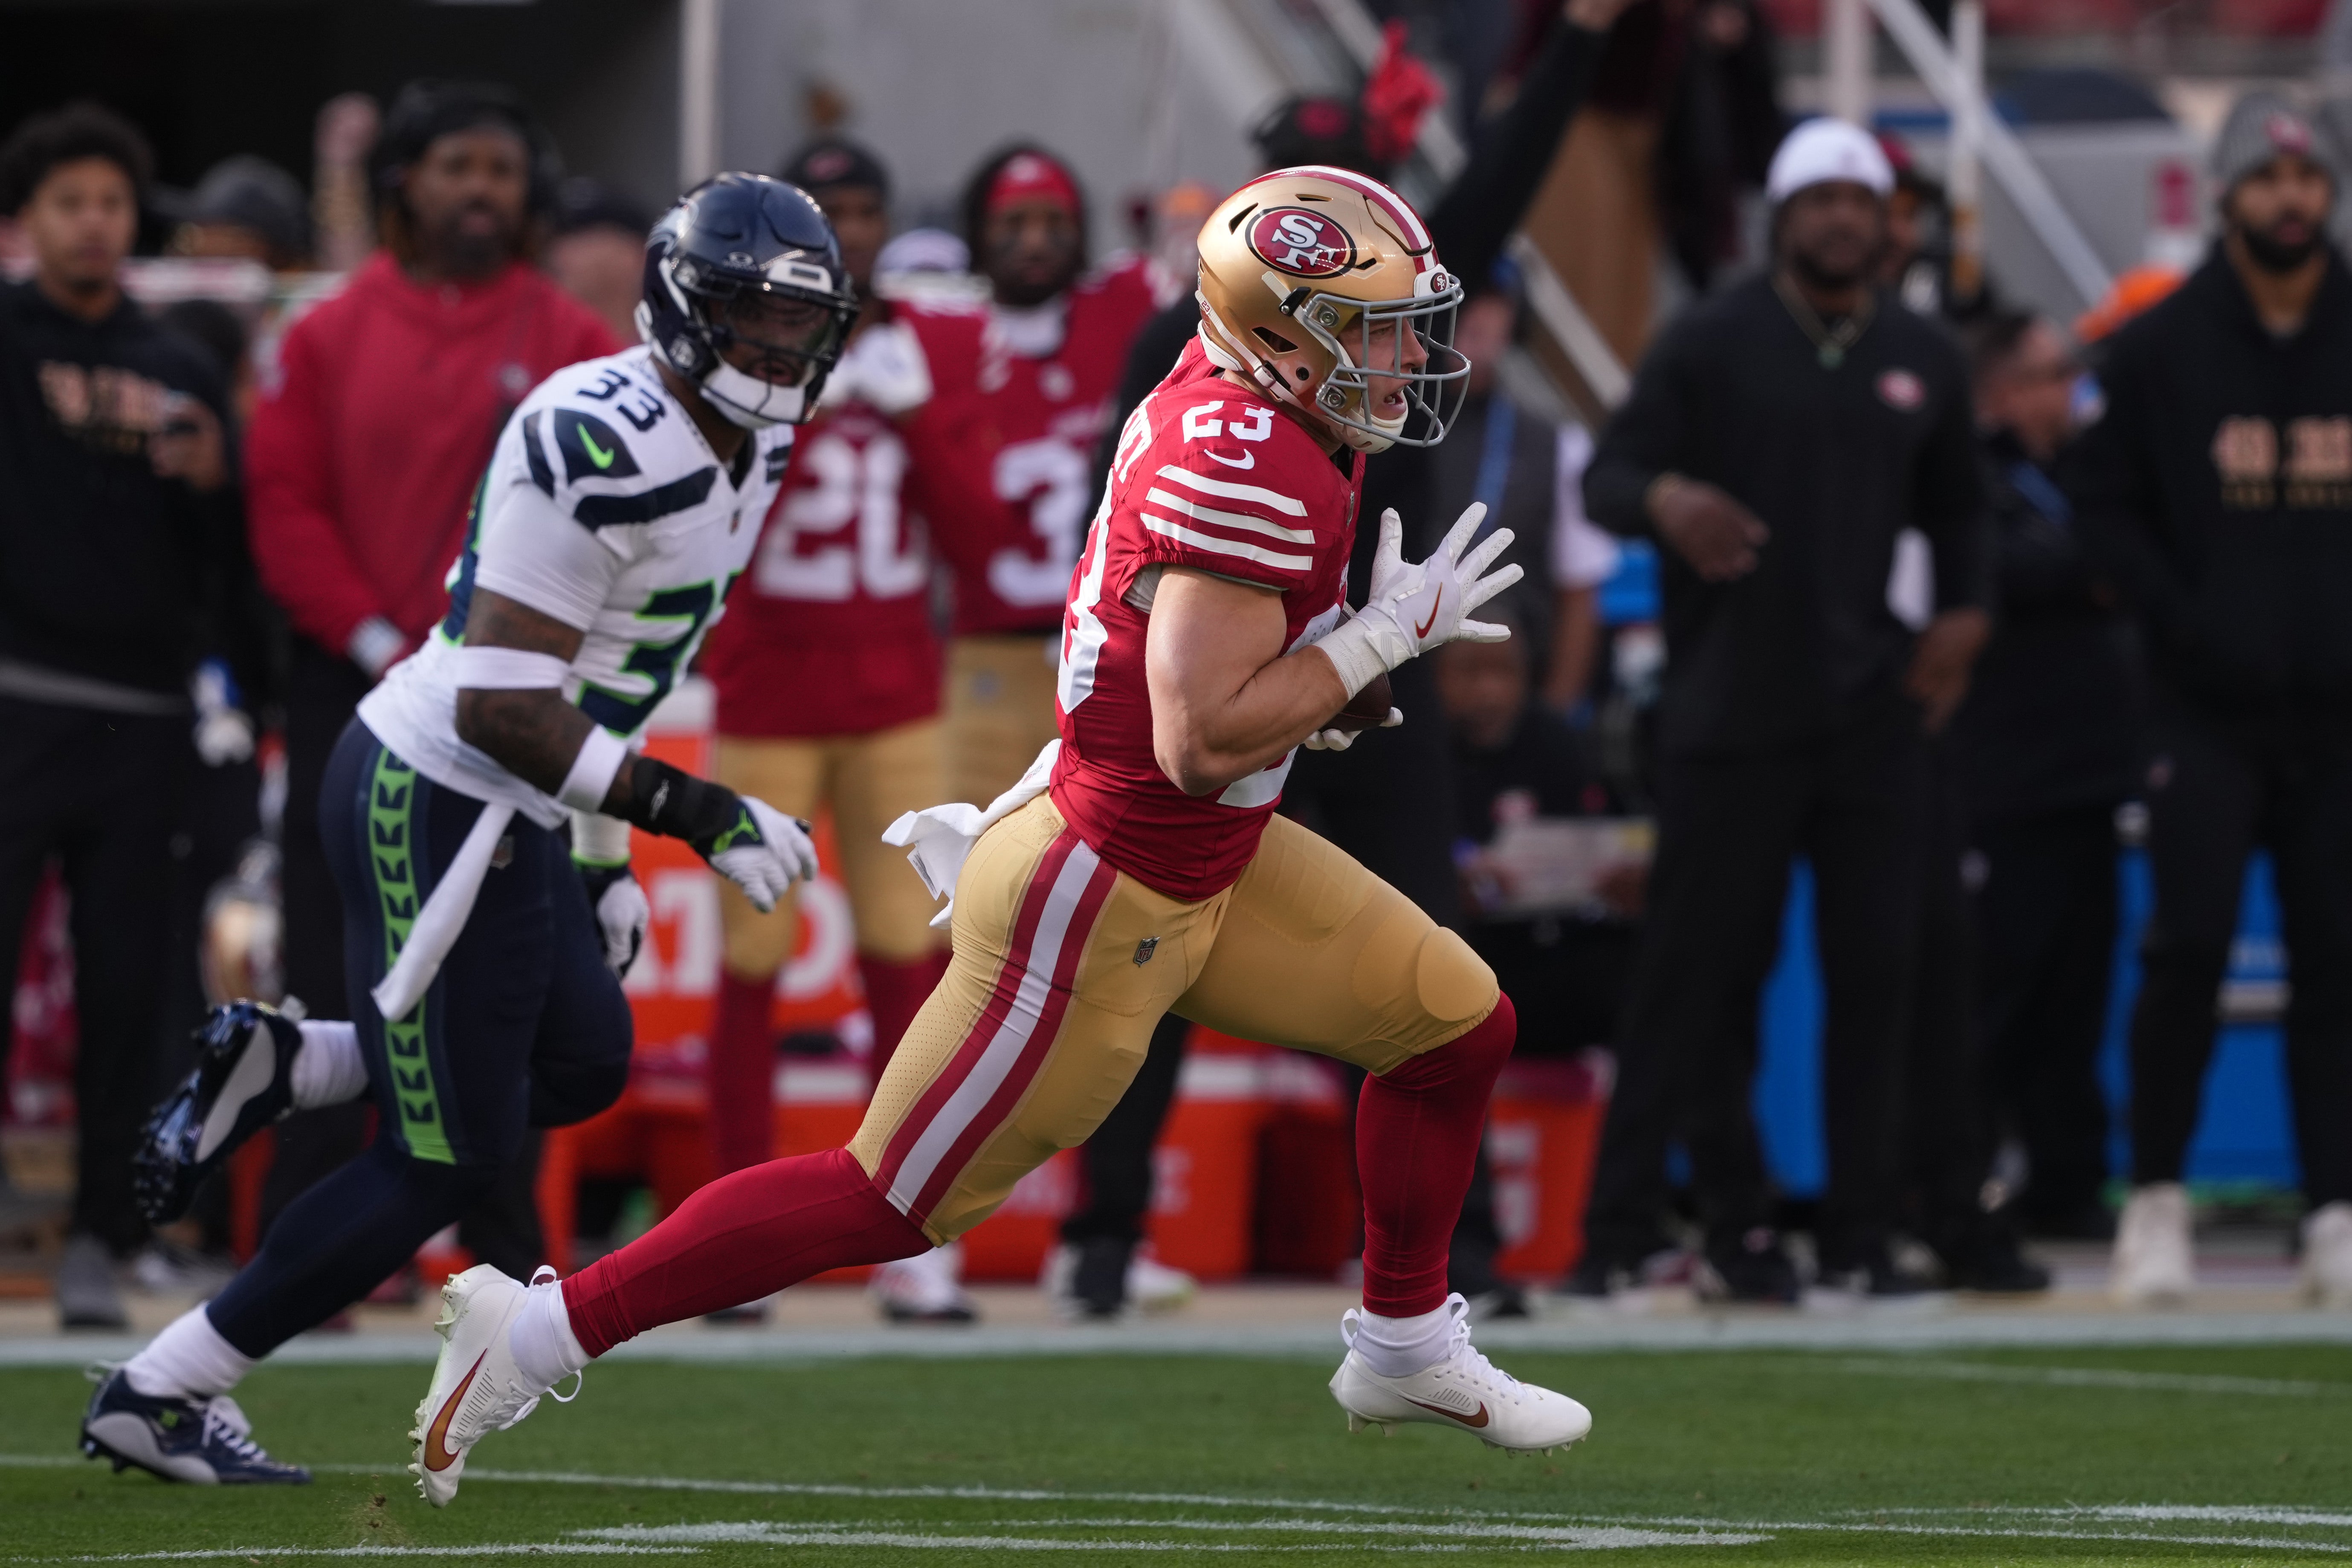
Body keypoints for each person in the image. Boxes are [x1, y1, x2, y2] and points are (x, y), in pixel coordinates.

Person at [407, 167, 1591, 1506]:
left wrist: (1333, 663)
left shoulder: (1266, 406)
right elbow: (1199, 734)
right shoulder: (1250, 452)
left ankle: (1400, 1340)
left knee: (1451, 1023)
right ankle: (536, 1328)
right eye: (1367, 326)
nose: (1400, 355)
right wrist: (1375, 639)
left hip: (1203, 852)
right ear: (1275, 326)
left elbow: (1202, 693)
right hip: (1103, 893)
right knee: (883, 1197)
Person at [82, 173, 852, 1485]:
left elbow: (622, 667)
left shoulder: (753, 435)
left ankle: (299, 1060)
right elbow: (505, 703)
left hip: (524, 805)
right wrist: (691, 812)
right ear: (677, 307)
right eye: (744, 315)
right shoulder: (595, 432)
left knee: (584, 1058)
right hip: (438, 786)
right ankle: (162, 1388)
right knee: (447, 1152)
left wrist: (605, 854)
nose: (775, 349)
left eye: (797, 323)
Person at [1066, 0, 1633, 1319]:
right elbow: (1123, 537)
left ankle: (1448, 1255)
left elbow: (1491, 189)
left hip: (1372, 680)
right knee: (1149, 953)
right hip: (1240, 687)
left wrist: (1574, 49)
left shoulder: (1373, 323)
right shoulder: (1183, 346)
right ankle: (1103, 1236)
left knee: (1424, 968)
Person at [1579, 119, 1990, 1301]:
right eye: (1820, 201)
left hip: (1874, 707)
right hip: (1728, 708)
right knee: (1699, 976)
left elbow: (1962, 508)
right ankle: (1678, 1221)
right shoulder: (1711, 339)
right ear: (1781, 216)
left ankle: (1863, 1228)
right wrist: (1666, 494)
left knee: (1882, 972)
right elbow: (1607, 475)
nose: (1841, 220)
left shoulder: (1922, 353)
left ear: (1885, 221)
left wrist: (1965, 616)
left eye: (1860, 201)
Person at [243, 81, 618, 1277]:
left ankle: (506, 1267)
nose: (479, 190)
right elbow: (283, 500)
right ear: (405, 179)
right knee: (331, 964)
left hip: (509, 709)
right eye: (456, 165)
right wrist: (362, 633)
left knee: (506, 980)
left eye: (500, 171)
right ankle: (302, 1257)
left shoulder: (568, 338)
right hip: (358, 695)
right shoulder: (328, 332)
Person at [832, 143, 1159, 1319]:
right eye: (1011, 218)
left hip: (1105, 659)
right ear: (977, 231)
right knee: (970, 936)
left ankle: (1101, 1221)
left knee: (1112, 941)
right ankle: (920, 1226)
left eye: (1051, 216)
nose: (1033, 236)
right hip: (979, 659)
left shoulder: (1122, 317)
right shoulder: (932, 336)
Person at [2071, 92, 2352, 1309]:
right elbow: (2101, 510)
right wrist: (2190, 627)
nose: (2289, 199)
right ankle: (2156, 1205)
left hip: (2339, 712)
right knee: (2183, 952)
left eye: (2308, 180)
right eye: (2265, 180)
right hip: (2200, 709)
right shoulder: (2157, 348)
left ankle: (2336, 1212)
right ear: (2227, 196)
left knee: (2337, 960)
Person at [690, 138, 952, 1323]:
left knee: (914, 956)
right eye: (826, 211)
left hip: (896, 688)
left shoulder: (913, 343)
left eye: (862, 209)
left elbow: (980, 525)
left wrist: (917, 418)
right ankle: (735, 1226)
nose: (846, 231)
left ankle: (916, 1230)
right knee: (752, 962)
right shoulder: (742, 343)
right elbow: (715, 516)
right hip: (773, 693)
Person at [0, 104, 241, 1328]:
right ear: (27, 221)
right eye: (68, 203)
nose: (93, 224)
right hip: (15, 704)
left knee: (127, 991)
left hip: (144, 722)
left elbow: (228, 565)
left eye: (109, 203)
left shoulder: (184, 367)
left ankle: (99, 1233)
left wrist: (212, 486)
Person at [1949, 310, 2139, 1243]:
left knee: (2078, 996)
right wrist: (2098, 569)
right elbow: (2002, 572)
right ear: (2007, 389)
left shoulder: (2087, 471)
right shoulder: (1975, 475)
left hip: (2093, 777)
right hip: (2005, 780)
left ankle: (2068, 1183)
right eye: (2055, 373)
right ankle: (1965, 1183)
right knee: (2000, 995)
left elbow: (2127, 554)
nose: (2072, 390)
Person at [544, 178, 651, 344]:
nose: (560, 252)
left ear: (636, 252)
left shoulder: (672, 355)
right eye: (557, 238)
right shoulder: (538, 349)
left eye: (580, 235)